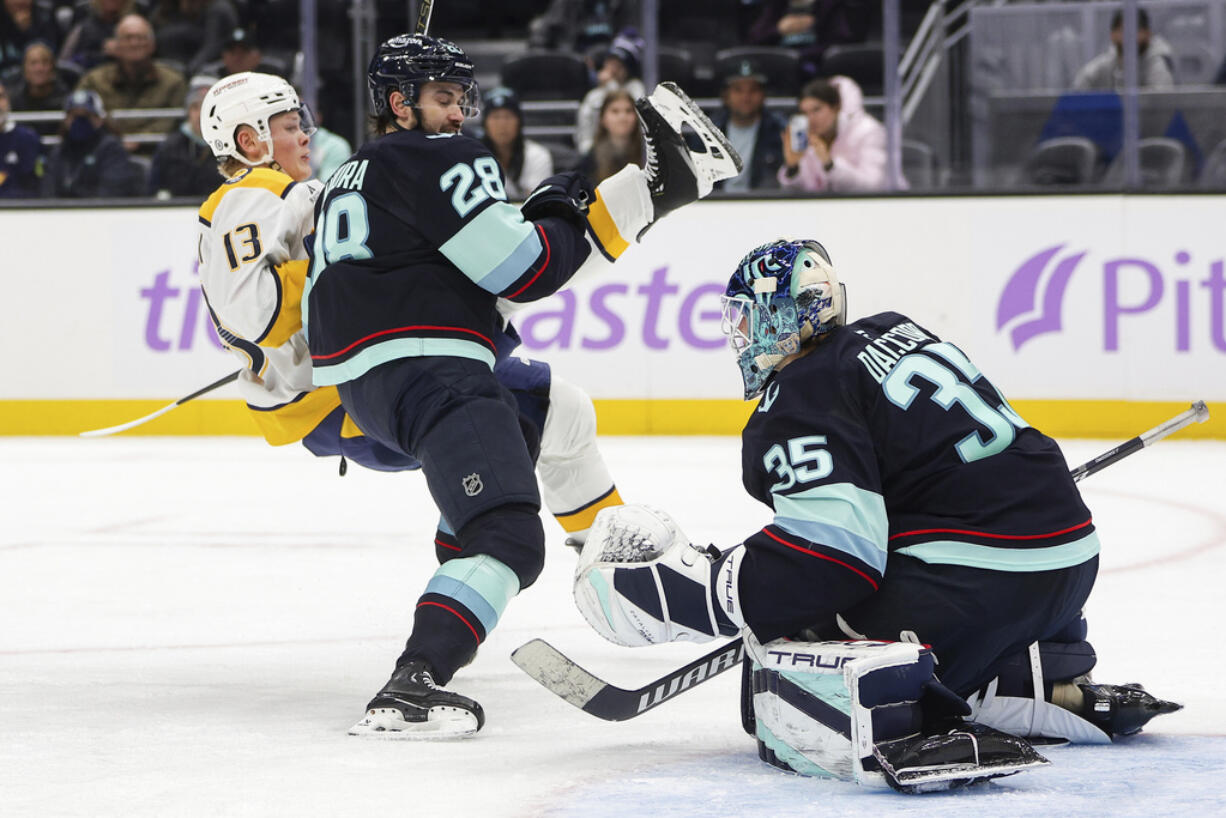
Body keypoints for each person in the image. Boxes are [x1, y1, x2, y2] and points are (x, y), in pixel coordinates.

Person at [573, 237, 1181, 789]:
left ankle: (916, 714)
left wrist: (713, 590)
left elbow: (834, 559)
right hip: (1067, 568)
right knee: (831, 588)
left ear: (786, 318)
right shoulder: (895, 331)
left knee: (790, 650)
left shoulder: (801, 391)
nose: (741, 335)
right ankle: (1041, 679)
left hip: (979, 578)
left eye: (747, 317)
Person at [304, 33, 740, 738]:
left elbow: (477, 279)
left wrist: (571, 212)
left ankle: (627, 574)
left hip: (369, 390)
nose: (458, 112)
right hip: (431, 373)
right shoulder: (434, 156)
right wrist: (562, 212)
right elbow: (523, 271)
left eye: (460, 97)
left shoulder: (350, 177)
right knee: (505, 535)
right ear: (398, 102)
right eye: (443, 97)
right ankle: (415, 681)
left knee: (554, 413)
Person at [76, 13, 187, 143]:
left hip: (156, 151)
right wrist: (115, 139)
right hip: (105, 152)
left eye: (141, 38)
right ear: (116, 46)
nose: (134, 43)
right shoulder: (93, 80)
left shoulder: (174, 82)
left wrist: (140, 139)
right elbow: (79, 112)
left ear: (152, 45)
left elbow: (176, 121)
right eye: (128, 38)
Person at [778, 75, 894, 192]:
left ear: (835, 107)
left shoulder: (869, 131)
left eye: (816, 110)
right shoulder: (806, 138)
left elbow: (874, 186)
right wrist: (793, 168)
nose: (810, 119)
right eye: (805, 113)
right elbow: (802, 193)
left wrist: (830, 165)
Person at [42, 88, 143, 197]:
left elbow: (111, 192)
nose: (80, 122)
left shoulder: (112, 150)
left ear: (99, 120)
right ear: (66, 120)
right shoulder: (58, 152)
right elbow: (48, 192)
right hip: (60, 212)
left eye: (86, 116)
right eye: (74, 116)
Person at [710, 58, 785, 192]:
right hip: (716, 204)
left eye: (753, 90)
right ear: (726, 96)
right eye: (738, 90)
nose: (746, 97)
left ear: (763, 95)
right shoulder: (708, 132)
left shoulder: (779, 131)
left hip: (763, 204)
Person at [746, 0, 872, 79]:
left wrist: (799, 56)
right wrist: (778, 30)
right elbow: (753, 40)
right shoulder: (776, 4)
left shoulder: (830, 4)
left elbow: (840, 41)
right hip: (778, 71)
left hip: (819, 70)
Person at [148, 73, 219, 198]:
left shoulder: (231, 147)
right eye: (195, 107)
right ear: (188, 111)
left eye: (207, 108)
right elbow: (155, 188)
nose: (200, 115)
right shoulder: (169, 147)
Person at [574, 29, 645, 154]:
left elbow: (625, 99)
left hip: (633, 153)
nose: (613, 69)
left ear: (628, 69)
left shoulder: (637, 88)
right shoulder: (594, 96)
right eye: (611, 63)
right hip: (599, 154)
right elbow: (584, 135)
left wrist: (610, 83)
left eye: (618, 65)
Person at [1073, 8, 1175, 92]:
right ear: (1112, 34)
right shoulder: (1107, 64)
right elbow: (1079, 89)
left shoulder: (1157, 62)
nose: (1129, 36)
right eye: (1123, 30)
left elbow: (1163, 102)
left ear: (1147, 33)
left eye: (1135, 30)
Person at [479, 85, 553, 199]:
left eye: (508, 117)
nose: (502, 124)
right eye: (495, 117)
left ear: (519, 122)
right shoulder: (474, 157)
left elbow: (537, 200)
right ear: (485, 124)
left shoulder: (537, 155)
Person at [149, 0, 238, 76]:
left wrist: (188, 71)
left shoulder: (218, 9)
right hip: (162, 66)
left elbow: (212, 47)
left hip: (202, 71)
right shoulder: (168, 7)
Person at [576, 88, 642, 185]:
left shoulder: (648, 154)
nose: (622, 117)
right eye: (615, 111)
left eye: (628, 111)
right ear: (603, 119)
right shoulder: (590, 159)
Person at [7, 41, 70, 133]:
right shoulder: (13, 100)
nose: (39, 68)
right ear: (24, 70)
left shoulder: (66, 100)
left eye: (45, 63)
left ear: (53, 68)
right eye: (33, 63)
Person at [59, 0, 134, 71]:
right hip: (88, 78)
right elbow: (66, 63)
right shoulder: (83, 28)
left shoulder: (135, 28)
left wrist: (123, 51)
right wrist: (102, 54)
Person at [0, 76, 41, 197]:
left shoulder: (27, 139)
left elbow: (34, 187)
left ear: (8, 101)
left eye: (1, 97)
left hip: (18, 211)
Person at [0, 0, 58, 72]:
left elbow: (49, 53)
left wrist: (28, 31)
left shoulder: (44, 14)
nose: (20, 2)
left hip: (36, 74)